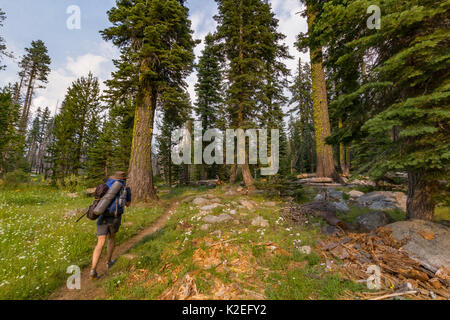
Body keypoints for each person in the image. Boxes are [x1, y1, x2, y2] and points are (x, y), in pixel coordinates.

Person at [90, 171, 131, 279]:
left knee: (100, 243)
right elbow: (127, 204)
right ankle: (108, 262)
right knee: (111, 239)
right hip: (115, 217)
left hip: (102, 216)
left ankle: (93, 269)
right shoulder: (124, 188)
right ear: (123, 179)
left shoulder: (106, 185)